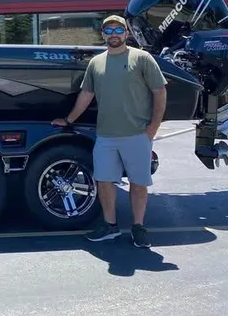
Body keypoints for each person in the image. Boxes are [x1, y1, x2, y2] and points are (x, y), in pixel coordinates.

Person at [52, 14, 167, 248]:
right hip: (105, 136)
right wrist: (69, 119)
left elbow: (160, 91)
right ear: (103, 34)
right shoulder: (96, 63)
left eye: (118, 30)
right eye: (109, 31)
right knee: (104, 181)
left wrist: (153, 127)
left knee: (138, 183)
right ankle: (110, 225)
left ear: (126, 34)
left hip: (137, 134)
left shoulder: (142, 58)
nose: (114, 35)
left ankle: (138, 227)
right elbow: (87, 94)